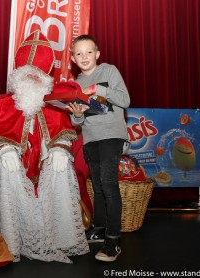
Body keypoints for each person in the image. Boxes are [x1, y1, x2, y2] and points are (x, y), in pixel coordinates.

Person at [0, 30, 89, 269]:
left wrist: (60, 150)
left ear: (46, 79)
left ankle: (60, 236)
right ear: (17, 77)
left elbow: (64, 135)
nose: (32, 81)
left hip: (43, 168)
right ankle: (11, 237)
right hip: (13, 169)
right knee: (7, 170)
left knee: (61, 166)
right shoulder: (2, 106)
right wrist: (4, 150)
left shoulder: (54, 107)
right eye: (27, 76)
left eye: (36, 77)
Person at [67, 34, 130, 262]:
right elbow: (78, 123)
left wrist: (99, 90)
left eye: (89, 52)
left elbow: (125, 100)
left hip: (111, 136)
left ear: (98, 54)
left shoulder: (109, 71)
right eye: (79, 53)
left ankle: (113, 241)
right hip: (90, 139)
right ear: (73, 58)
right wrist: (76, 115)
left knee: (109, 184)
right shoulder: (75, 85)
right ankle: (99, 227)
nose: (84, 56)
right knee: (99, 187)